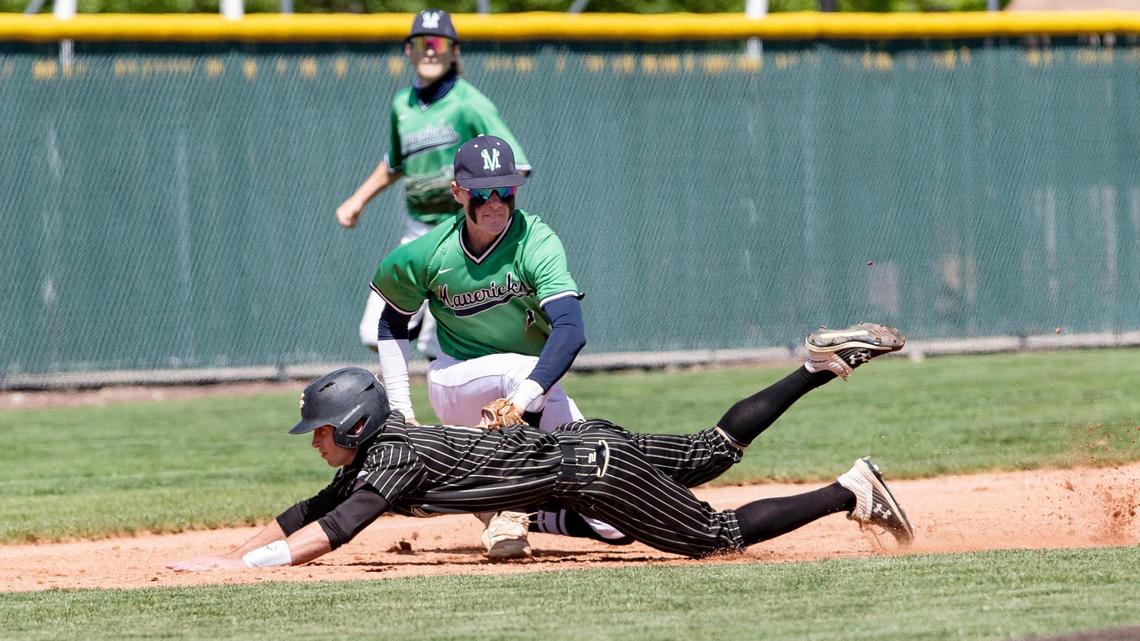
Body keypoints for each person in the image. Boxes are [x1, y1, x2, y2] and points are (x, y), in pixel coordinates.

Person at [167, 322, 914, 572]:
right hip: (578, 441)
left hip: (588, 473)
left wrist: (251, 569)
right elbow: (307, 508)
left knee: (714, 536)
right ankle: (818, 368)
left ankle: (851, 490)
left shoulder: (389, 461)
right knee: (712, 447)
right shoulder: (384, 449)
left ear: (355, 424)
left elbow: (331, 532)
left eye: (322, 431)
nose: (317, 444)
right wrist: (231, 554)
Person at [369, 134, 603, 559]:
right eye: (482, 193)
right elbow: (392, 321)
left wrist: (523, 399)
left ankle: (526, 510)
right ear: (458, 193)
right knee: (521, 370)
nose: (495, 202)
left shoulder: (536, 240)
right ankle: (512, 505)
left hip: (530, 393)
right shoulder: (428, 253)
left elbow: (571, 330)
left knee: (610, 509)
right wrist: (401, 411)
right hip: (457, 382)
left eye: (506, 190)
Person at [336, 8, 531, 358]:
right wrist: (357, 200)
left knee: (437, 347)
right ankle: (428, 325)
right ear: (408, 51)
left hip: (457, 231)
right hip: (417, 230)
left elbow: (516, 164)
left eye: (438, 42)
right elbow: (395, 163)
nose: (430, 50)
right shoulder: (402, 104)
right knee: (373, 331)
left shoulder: (468, 103)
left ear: (454, 51)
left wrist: (479, 206)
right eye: (421, 42)